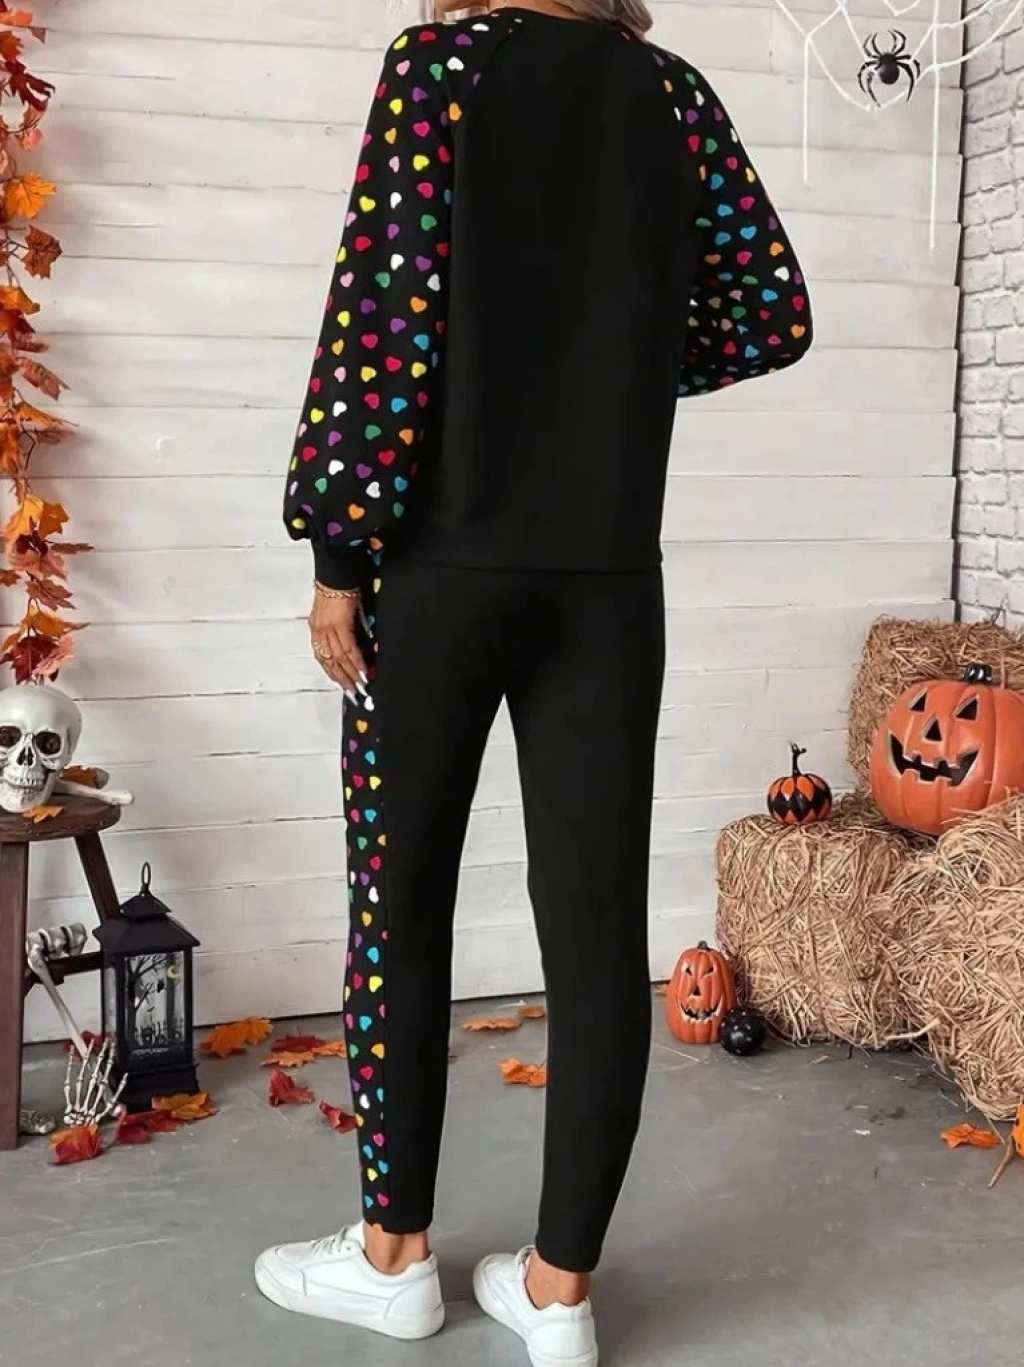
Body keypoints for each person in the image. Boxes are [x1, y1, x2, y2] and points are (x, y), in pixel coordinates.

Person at [259, 2, 812, 1363]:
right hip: (609, 584)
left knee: (399, 908)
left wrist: (340, 554)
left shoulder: (440, 67)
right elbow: (769, 313)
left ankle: (394, 1260)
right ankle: (559, 1294)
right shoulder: (670, 94)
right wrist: (611, 373)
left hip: (435, 578)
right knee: (596, 926)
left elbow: (381, 316)